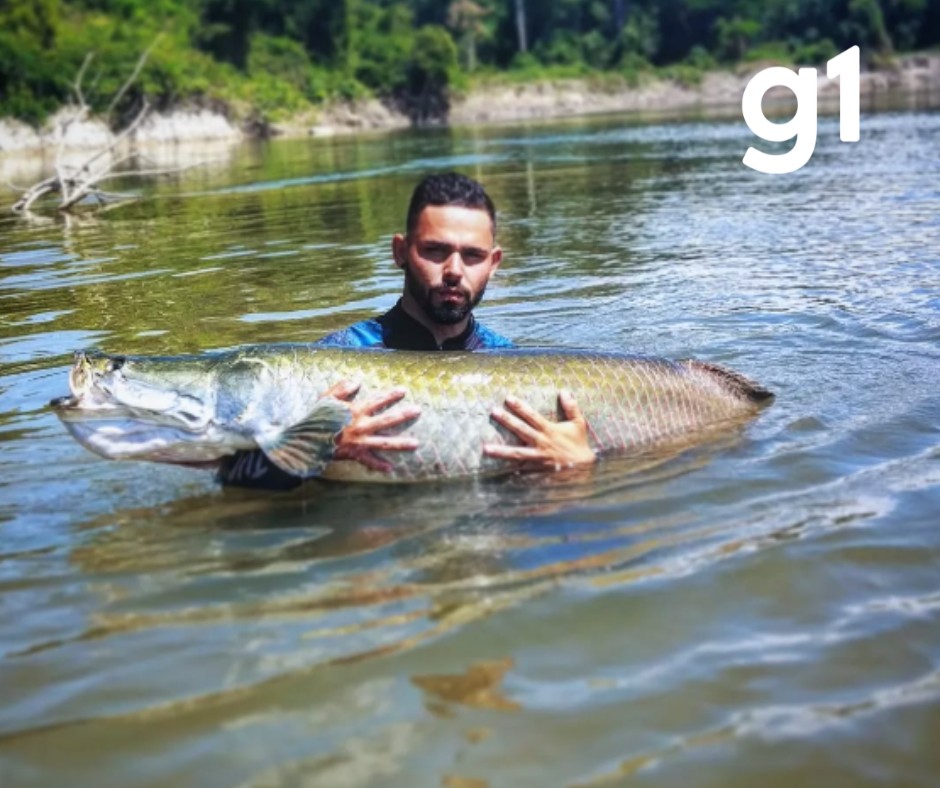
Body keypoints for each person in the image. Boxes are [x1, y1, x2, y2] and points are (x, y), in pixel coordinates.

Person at [219, 172, 596, 490]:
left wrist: (582, 465)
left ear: (493, 263)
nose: (453, 270)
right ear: (400, 251)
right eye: (435, 250)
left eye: (472, 256)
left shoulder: (514, 366)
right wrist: (316, 452)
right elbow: (229, 475)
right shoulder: (335, 363)